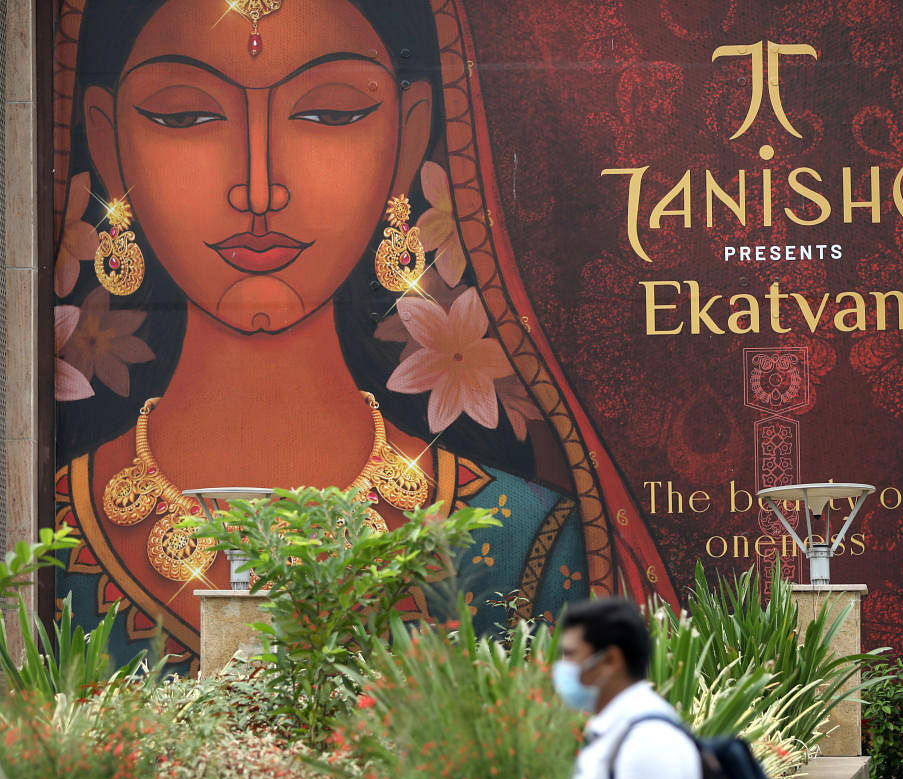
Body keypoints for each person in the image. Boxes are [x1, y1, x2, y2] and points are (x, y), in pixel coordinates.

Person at [50, 0, 677, 673]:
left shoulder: (522, 539)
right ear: (109, 144)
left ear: (408, 139)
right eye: (184, 115)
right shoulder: (48, 538)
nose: (259, 188)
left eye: (331, 113)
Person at [555, 598, 701, 779]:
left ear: (610, 660)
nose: (563, 666)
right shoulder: (618, 730)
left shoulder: (649, 741)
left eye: (570, 654)